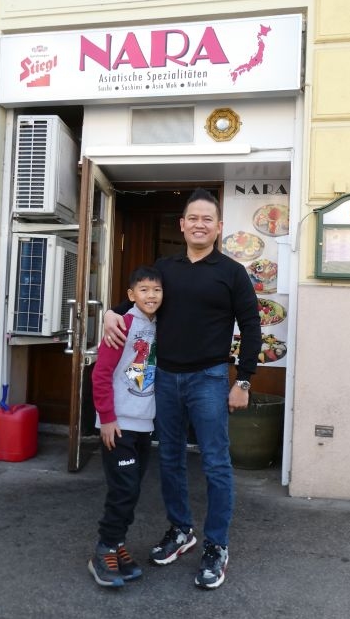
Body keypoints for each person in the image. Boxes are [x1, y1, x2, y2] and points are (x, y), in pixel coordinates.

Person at [104, 187, 262, 590]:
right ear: (182, 224)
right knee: (170, 458)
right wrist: (111, 312)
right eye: (192, 218)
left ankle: (216, 546)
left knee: (215, 463)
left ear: (219, 227)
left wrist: (242, 380)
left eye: (207, 218)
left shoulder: (231, 272)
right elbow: (143, 300)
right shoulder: (165, 267)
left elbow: (252, 328)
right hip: (166, 378)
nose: (199, 224)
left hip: (209, 378)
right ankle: (180, 530)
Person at [88, 265, 163, 588]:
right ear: (131, 295)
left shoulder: (159, 324)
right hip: (117, 424)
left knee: (131, 489)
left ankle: (117, 544)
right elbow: (101, 374)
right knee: (123, 489)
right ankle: (103, 549)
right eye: (144, 290)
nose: (151, 295)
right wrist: (106, 418)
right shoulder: (123, 324)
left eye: (157, 290)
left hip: (143, 423)